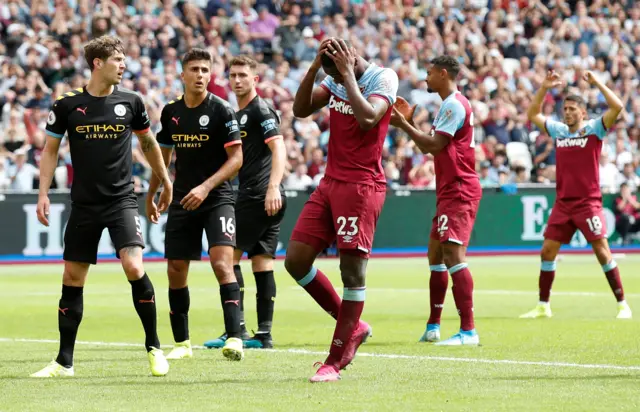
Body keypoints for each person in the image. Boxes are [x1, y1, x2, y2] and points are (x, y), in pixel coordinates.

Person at [32, 35, 173, 378]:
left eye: (124, 60)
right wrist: (43, 193)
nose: (124, 65)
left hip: (121, 199)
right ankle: (64, 362)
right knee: (72, 277)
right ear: (98, 63)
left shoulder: (132, 101)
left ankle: (154, 347)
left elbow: (148, 143)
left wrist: (165, 180)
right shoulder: (66, 105)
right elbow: (50, 150)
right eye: (118, 60)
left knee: (133, 266)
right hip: (83, 203)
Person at [288, 38, 398, 382]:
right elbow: (300, 110)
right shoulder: (332, 78)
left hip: (362, 186)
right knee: (295, 261)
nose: (332, 80)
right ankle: (355, 326)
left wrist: (347, 74)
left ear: (350, 58)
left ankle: (333, 362)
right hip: (330, 183)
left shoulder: (384, 78)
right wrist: (312, 69)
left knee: (352, 274)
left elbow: (368, 119)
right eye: (329, 74)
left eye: (335, 72)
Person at [145, 48, 245, 361]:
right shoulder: (171, 111)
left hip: (217, 198)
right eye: (195, 70)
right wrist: (155, 190)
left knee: (221, 264)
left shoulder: (222, 111)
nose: (201, 75)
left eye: (205, 70)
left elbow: (237, 158)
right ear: (183, 74)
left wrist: (206, 186)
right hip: (182, 199)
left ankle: (235, 338)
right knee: (176, 269)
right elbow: (163, 156)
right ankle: (182, 344)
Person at [520, 70, 632, 319]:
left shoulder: (594, 129)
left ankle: (622, 304)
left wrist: (597, 82)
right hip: (563, 204)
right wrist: (544, 87)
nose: (568, 112)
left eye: (572, 109)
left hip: (588, 203)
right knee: (547, 250)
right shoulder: (559, 131)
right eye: (565, 108)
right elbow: (532, 115)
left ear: (582, 112)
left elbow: (618, 106)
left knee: (602, 251)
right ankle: (543, 305)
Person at [391, 55, 481, 346]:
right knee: (435, 255)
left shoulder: (454, 105)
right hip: (448, 189)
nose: (425, 78)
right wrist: (410, 123)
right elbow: (433, 142)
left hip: (459, 187)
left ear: (444, 74)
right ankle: (433, 326)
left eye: (429, 73)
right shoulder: (450, 105)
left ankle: (468, 331)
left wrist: (404, 125)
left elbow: (433, 145)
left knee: (453, 256)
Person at [203, 55, 287, 350]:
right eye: (233, 75)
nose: (237, 80)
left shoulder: (260, 110)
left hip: (257, 194)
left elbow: (279, 148)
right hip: (262, 195)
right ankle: (264, 334)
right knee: (262, 263)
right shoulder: (238, 114)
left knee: (227, 259)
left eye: (242, 75)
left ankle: (234, 330)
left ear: (255, 79)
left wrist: (273, 187)